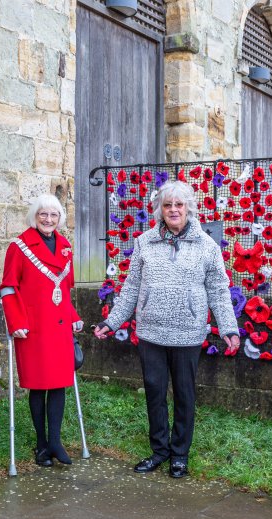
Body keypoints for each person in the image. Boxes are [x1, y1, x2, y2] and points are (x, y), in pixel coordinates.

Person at [94, 180, 240, 478]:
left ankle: (180, 455)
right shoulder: (144, 242)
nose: (173, 210)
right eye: (167, 205)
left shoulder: (206, 245)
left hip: (188, 332)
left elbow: (219, 290)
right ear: (159, 210)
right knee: (155, 393)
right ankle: (159, 450)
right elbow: (131, 287)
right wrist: (112, 321)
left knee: (184, 394)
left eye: (179, 204)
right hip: (151, 333)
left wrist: (228, 328)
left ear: (189, 208)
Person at [0, 194, 84, 466]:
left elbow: (64, 289)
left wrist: (73, 316)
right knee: (38, 386)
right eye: (43, 215)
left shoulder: (65, 247)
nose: (48, 220)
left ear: (59, 218)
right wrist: (16, 322)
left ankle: (55, 443)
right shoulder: (19, 246)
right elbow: (9, 288)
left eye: (54, 215)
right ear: (34, 216)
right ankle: (40, 444)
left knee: (60, 384)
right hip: (32, 328)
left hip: (59, 327)